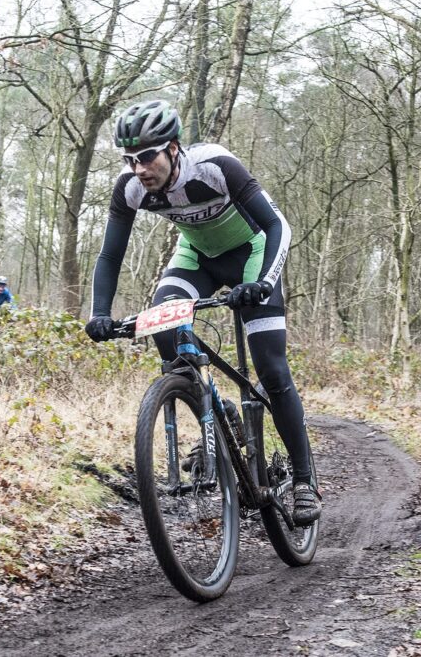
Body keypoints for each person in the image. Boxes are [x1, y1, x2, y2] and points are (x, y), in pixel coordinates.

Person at [84, 99, 321, 526]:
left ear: (173, 148)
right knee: (163, 323)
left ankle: (304, 481)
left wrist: (263, 282)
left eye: (147, 157)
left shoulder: (214, 166)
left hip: (251, 254)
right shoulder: (130, 187)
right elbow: (110, 255)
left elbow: (276, 226)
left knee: (271, 368)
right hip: (198, 257)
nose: (139, 168)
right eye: (130, 160)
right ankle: (214, 406)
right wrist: (100, 311)